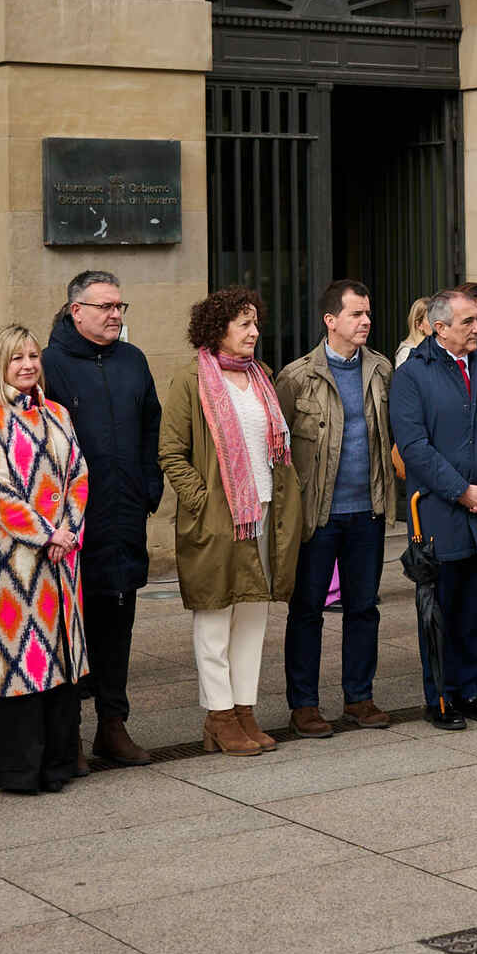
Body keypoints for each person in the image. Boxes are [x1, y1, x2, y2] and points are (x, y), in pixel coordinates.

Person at [160, 288, 308, 757]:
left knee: (252, 616)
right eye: (243, 323)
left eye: (255, 323)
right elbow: (171, 452)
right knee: (215, 617)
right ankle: (219, 716)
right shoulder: (191, 380)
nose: (254, 332)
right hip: (220, 519)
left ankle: (244, 710)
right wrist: (202, 501)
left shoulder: (261, 376)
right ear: (217, 328)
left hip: (265, 512)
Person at [390, 287, 477, 728]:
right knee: (440, 611)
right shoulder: (413, 375)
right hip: (439, 512)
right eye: (468, 321)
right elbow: (414, 447)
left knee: (473, 610)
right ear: (439, 327)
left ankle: (470, 692)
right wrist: (461, 490)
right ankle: (441, 699)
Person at [43, 271, 159, 767]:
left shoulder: (133, 361)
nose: (115, 315)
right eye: (105, 306)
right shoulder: (48, 364)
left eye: (120, 306)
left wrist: (148, 489)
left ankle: (113, 726)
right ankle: (65, 735)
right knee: (70, 629)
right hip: (71, 527)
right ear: (77, 311)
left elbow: (151, 427)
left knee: (118, 626)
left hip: (124, 517)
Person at [273, 281, 398, 737]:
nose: (366, 321)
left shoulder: (382, 371)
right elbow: (278, 452)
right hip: (317, 516)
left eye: (368, 314)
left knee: (364, 607)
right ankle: (303, 705)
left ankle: (359, 697)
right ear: (331, 320)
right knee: (306, 610)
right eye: (356, 314)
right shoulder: (296, 376)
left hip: (368, 511)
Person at [0, 325, 90, 792]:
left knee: (60, 657)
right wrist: (46, 533)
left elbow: (79, 473)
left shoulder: (57, 413)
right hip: (14, 564)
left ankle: (58, 763)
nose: (27, 365)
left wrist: (70, 531)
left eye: (33, 356)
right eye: (16, 358)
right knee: (23, 660)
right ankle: (21, 770)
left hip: (63, 560)